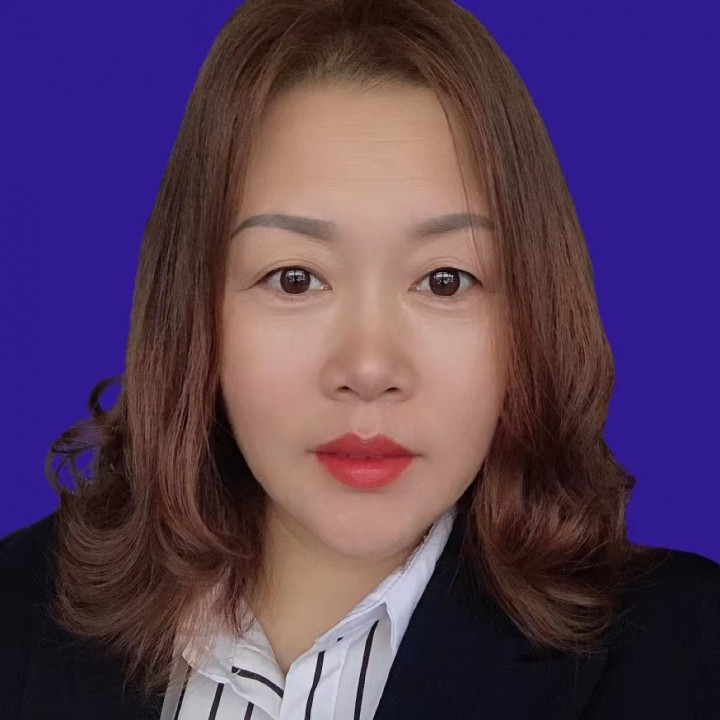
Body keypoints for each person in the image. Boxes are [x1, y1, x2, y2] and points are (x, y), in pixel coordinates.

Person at [1, 0, 718, 718]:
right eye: (294, 278)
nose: (370, 368)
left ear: (532, 314)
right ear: (192, 306)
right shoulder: (17, 614)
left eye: (445, 280)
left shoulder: (688, 655)